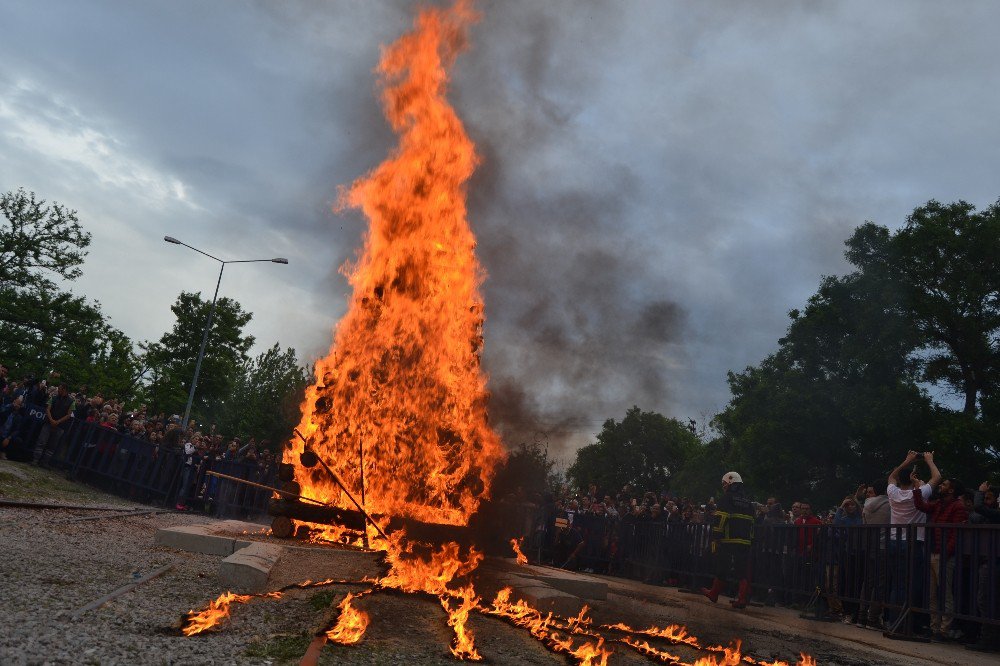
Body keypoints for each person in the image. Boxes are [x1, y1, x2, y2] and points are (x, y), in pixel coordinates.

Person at [885, 450, 940, 631]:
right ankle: (907, 623)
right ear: (912, 477)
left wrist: (906, 460)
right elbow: (937, 477)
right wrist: (929, 460)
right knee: (912, 583)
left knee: (897, 584)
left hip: (893, 541)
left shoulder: (892, 492)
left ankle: (894, 621)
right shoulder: (920, 492)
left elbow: (891, 477)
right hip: (913, 541)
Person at [913, 472, 968, 641]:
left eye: (944, 485)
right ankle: (934, 627)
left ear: (951, 490)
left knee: (945, 594)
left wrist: (945, 553)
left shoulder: (958, 507)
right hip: (933, 552)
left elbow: (956, 533)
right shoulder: (938, 504)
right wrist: (917, 488)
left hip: (944, 555)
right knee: (932, 594)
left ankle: (944, 630)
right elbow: (921, 506)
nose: (941, 486)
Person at [701, 471, 755, 608]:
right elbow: (752, 524)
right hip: (745, 542)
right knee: (742, 570)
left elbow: (721, 518)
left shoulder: (726, 499)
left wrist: (716, 537)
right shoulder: (749, 503)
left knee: (722, 567)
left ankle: (714, 593)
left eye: (724, 484)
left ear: (731, 483)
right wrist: (751, 540)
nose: (723, 487)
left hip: (728, 540)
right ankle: (742, 599)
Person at [31, 383, 76, 467]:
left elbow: (69, 414)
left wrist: (58, 421)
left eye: (60, 389)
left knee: (52, 445)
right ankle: (35, 460)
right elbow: (48, 409)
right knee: (41, 441)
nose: (58, 390)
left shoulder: (71, 402)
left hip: (60, 426)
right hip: (49, 423)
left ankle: (45, 462)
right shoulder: (53, 397)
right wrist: (52, 420)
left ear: (64, 390)